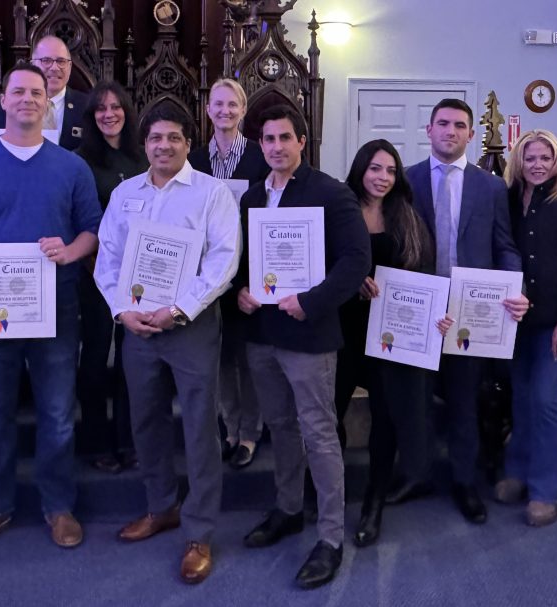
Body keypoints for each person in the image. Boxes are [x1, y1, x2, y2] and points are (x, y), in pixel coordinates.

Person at [0, 63, 102, 551]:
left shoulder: (71, 166)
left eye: (37, 93)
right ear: (3, 97)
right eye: (19, 91)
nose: (28, 100)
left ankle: (59, 507)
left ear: (47, 101)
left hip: (55, 311)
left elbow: (93, 233)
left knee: (58, 415)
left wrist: (69, 251)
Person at [94, 105, 241, 584]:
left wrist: (177, 308)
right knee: (146, 419)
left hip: (190, 326)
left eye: (174, 138)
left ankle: (199, 530)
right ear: (146, 143)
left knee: (199, 426)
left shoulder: (211, 194)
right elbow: (108, 259)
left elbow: (223, 261)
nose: (164, 146)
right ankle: (162, 507)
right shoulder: (125, 193)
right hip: (137, 326)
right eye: (156, 138)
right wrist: (122, 310)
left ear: (187, 143)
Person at [235, 106, 370, 589]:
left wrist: (310, 301)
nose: (276, 147)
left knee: (318, 431)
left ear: (302, 140)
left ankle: (331, 536)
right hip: (263, 336)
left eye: (284, 138)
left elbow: (356, 261)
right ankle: (288, 508)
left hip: (308, 334)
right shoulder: (251, 197)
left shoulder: (331, 193)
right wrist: (242, 292)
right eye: (268, 139)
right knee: (280, 427)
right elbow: (241, 261)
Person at [405, 98, 527, 524]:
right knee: (415, 400)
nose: (450, 132)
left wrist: (516, 288)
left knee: (464, 402)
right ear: (429, 129)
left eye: (459, 125)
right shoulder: (406, 180)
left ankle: (463, 482)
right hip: (418, 311)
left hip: (469, 316)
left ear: (471, 135)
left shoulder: (490, 187)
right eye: (443, 124)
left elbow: (505, 246)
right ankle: (415, 475)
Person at [340, 140, 449, 547]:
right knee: (331, 410)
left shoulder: (406, 216)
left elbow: (422, 276)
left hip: (390, 333)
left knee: (384, 418)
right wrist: (350, 281)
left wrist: (434, 312)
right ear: (359, 169)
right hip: (341, 328)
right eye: (374, 168)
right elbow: (321, 263)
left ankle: (374, 503)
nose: (382, 178)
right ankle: (327, 492)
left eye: (389, 170)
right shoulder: (341, 209)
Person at [494, 130, 557, 527]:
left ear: (556, 162)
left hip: (556, 324)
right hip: (516, 322)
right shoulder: (507, 200)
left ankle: (546, 490)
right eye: (530, 158)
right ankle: (517, 471)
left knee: (544, 400)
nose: (537, 165)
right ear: (518, 161)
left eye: (545, 158)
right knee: (520, 398)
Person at [189, 77, 269, 469]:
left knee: (246, 357)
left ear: (243, 110)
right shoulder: (197, 161)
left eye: (232, 105)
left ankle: (251, 432)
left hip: (247, 270)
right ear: (208, 110)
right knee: (217, 356)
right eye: (217, 105)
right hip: (205, 270)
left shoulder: (258, 156)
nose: (224, 111)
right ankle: (230, 427)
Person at [74, 81, 147, 473]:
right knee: (95, 357)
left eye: (116, 107)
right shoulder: (80, 159)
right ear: (91, 116)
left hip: (139, 276)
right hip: (96, 274)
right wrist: (96, 266)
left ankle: (128, 438)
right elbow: (80, 220)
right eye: (100, 109)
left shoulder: (142, 159)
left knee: (131, 359)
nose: (109, 114)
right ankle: (96, 442)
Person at [0, 36, 88, 151]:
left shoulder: (87, 105)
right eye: (46, 61)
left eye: (61, 61)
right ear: (33, 64)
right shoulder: (6, 103)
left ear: (70, 66)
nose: (55, 67)